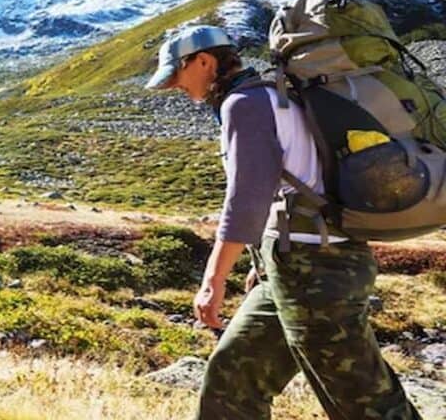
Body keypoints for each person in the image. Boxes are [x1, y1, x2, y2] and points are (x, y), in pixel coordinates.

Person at [145, 25, 421, 420]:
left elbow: (247, 200)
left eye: (177, 75)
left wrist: (213, 280)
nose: (175, 86)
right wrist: (264, 264)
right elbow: (288, 188)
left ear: (203, 61)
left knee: (364, 403)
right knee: (234, 378)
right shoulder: (269, 96)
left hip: (318, 270)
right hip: (294, 265)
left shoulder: (244, 103)